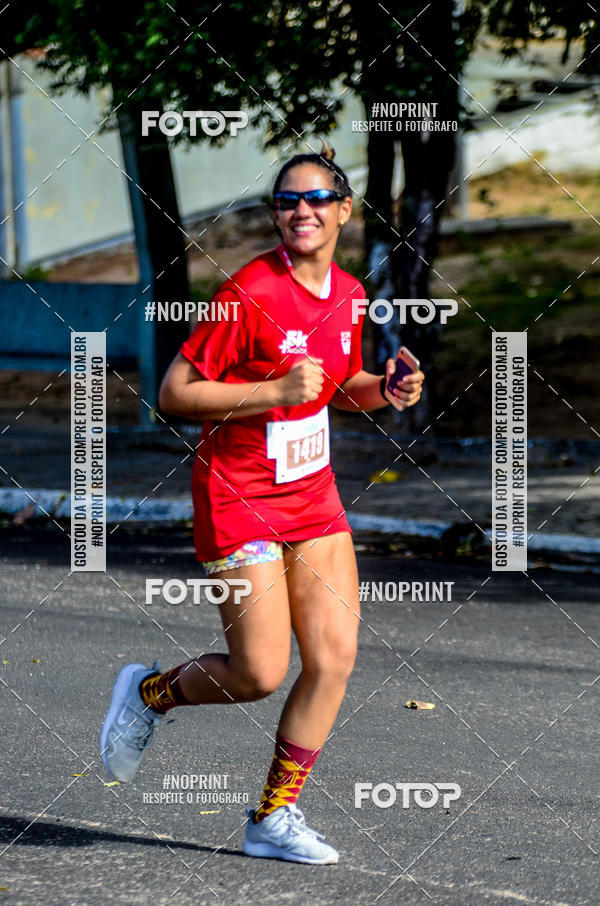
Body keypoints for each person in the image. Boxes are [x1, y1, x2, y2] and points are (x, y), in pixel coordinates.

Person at [100, 145, 424, 865]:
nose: (301, 212)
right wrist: (270, 393)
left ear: (344, 210)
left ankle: (271, 820)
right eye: (286, 201)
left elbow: (337, 387)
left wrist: (386, 389)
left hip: (313, 498)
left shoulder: (348, 293)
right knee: (258, 673)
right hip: (238, 496)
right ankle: (152, 693)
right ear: (277, 215)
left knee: (334, 658)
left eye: (315, 199)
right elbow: (175, 395)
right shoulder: (248, 293)